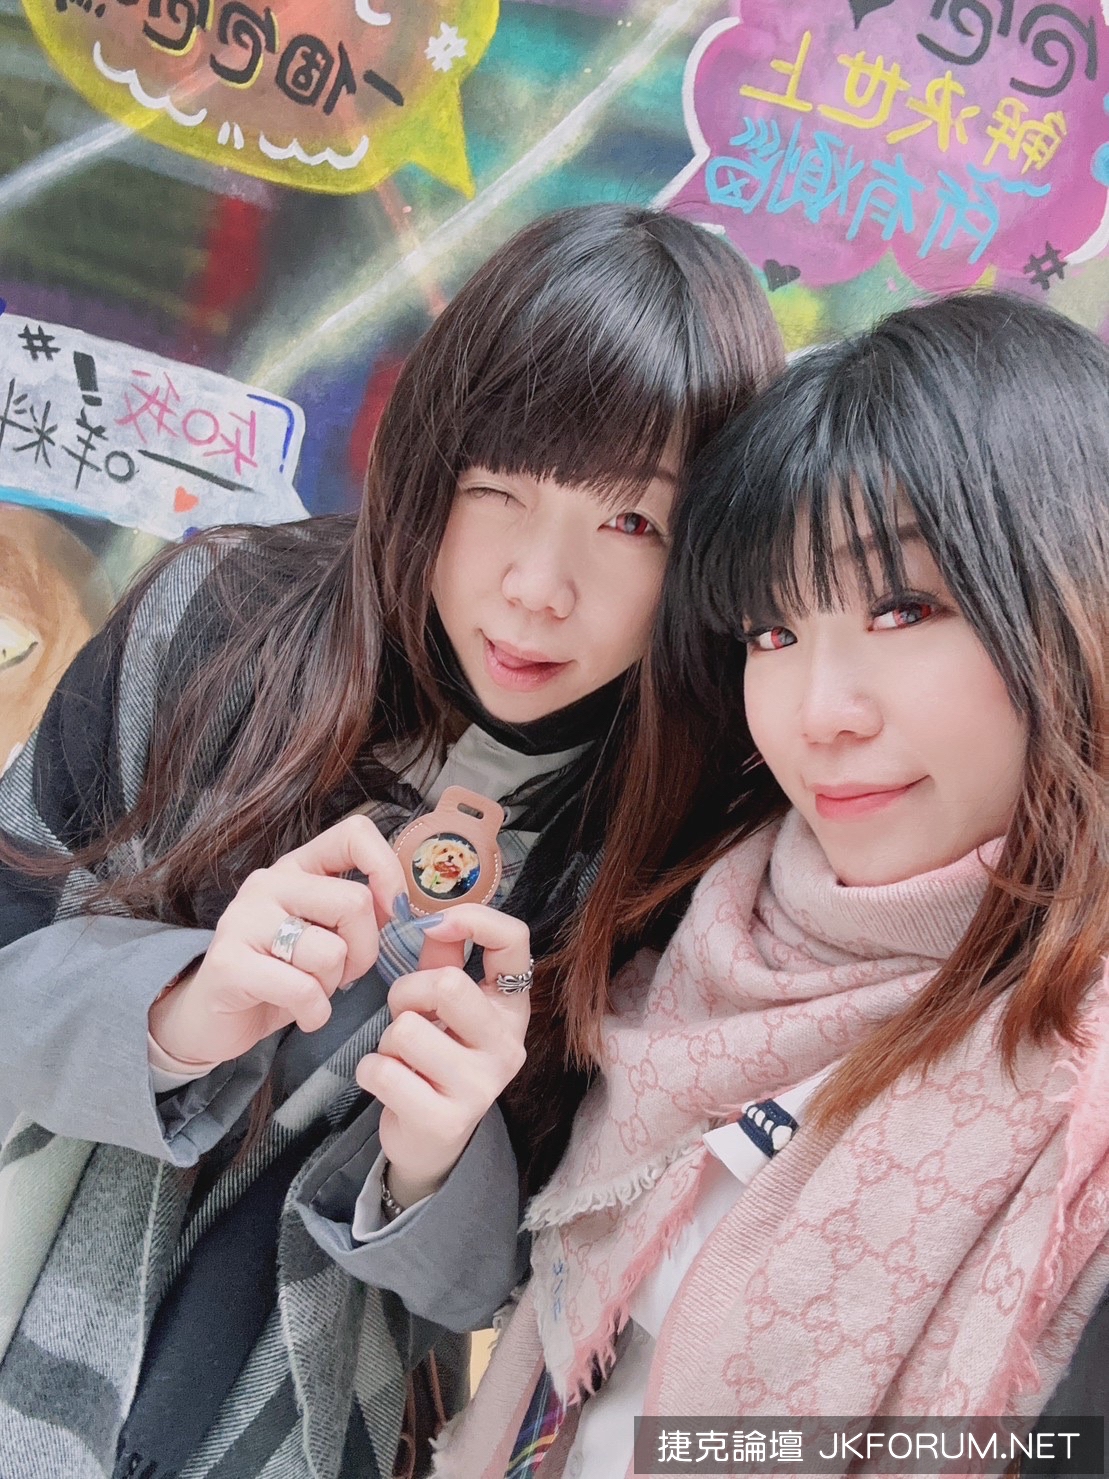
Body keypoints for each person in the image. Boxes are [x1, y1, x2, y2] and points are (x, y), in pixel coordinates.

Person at [0, 204, 784, 1479]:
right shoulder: (215, 625)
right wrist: (179, 1010)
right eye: (498, 491)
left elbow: (502, 1300)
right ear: (428, 462)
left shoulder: (680, 841)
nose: (538, 587)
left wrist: (434, 1166)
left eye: (631, 523)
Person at [433, 291, 1109, 1478]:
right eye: (769, 634)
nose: (816, 714)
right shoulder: (699, 926)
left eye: (902, 609)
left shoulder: (1077, 1097)